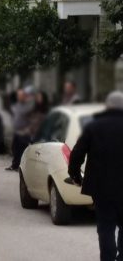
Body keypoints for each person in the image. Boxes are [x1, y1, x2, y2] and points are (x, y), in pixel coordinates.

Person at [68, 91, 123, 261]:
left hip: (102, 189)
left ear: (107, 106)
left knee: (105, 227)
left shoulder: (93, 126)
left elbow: (77, 154)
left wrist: (76, 176)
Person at [6, 88, 34, 171]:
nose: (19, 97)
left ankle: (21, 167)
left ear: (24, 96)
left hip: (24, 131)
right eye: (18, 96)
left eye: (21, 95)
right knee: (15, 148)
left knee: (22, 149)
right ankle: (15, 165)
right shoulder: (17, 105)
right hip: (17, 131)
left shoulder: (28, 106)